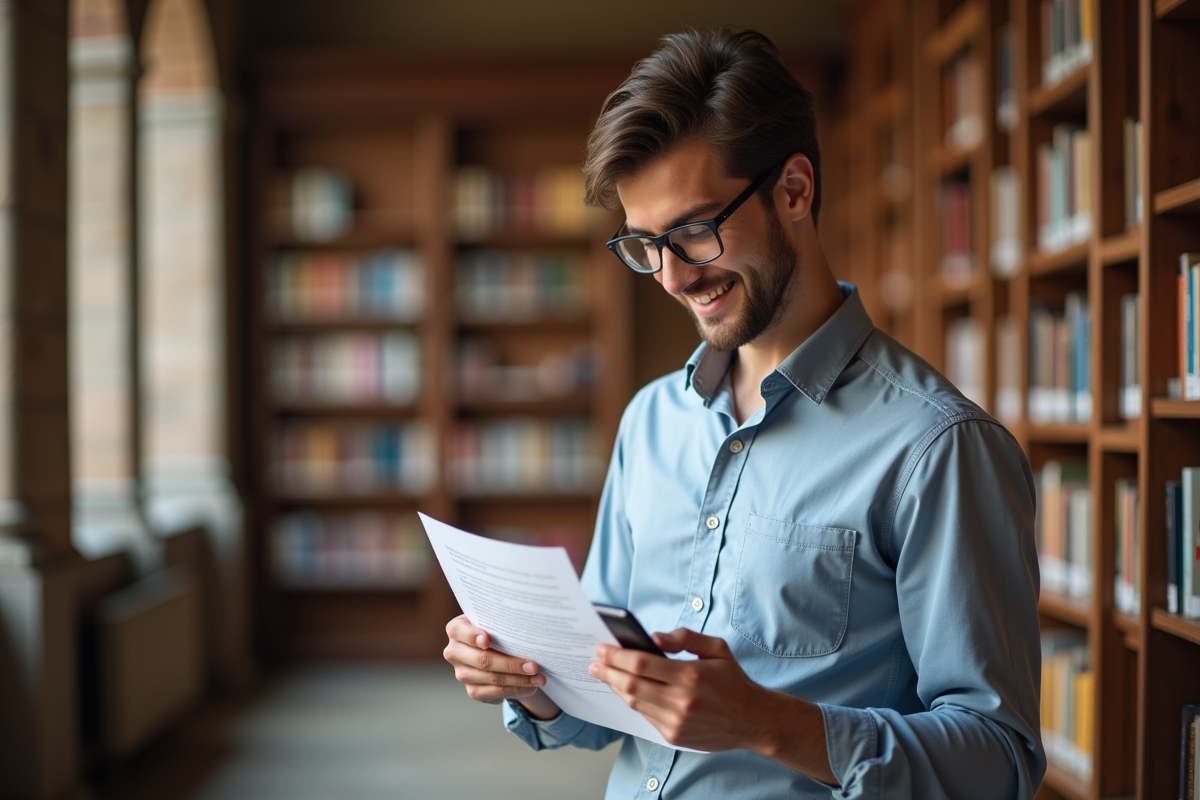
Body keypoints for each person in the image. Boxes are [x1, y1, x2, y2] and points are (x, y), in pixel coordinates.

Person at [443, 27, 1045, 799]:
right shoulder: (650, 421)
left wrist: (769, 724)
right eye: (644, 245)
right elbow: (602, 696)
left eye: (694, 232)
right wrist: (528, 679)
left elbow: (999, 762)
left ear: (794, 190)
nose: (671, 278)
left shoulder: (938, 448)